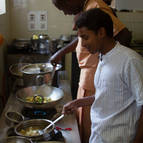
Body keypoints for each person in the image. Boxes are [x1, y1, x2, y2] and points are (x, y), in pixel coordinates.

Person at [50, 0, 132, 142]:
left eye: (63, 7)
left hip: (97, 80)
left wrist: (108, 63)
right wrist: (61, 52)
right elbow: (82, 38)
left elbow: (124, 35)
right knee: (84, 128)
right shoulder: (86, 8)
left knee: (91, 129)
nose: (64, 12)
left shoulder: (96, 6)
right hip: (89, 80)